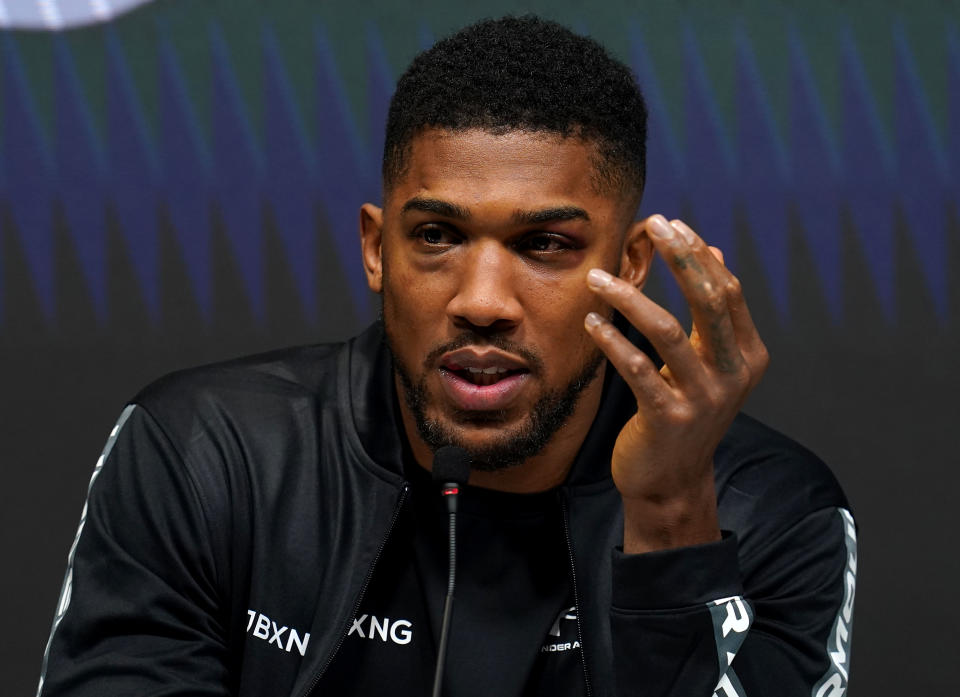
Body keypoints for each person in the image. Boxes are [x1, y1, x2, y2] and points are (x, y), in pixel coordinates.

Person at [36, 15, 855, 697]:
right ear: (375, 248)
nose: (482, 301)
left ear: (630, 266)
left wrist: (673, 518)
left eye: (544, 244)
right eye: (436, 236)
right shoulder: (206, 456)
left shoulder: (770, 512)